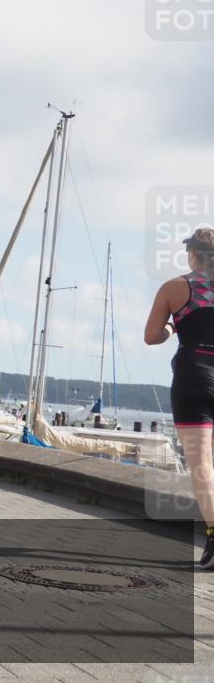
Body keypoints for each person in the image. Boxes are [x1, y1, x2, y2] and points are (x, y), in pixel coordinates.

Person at [145, 227, 214, 569]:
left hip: (194, 373)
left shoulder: (175, 287)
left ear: (191, 254)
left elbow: (151, 336)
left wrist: (173, 326)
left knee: (201, 463)